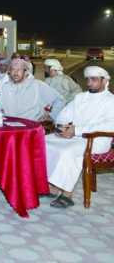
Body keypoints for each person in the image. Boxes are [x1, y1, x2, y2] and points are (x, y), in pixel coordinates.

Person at [45, 66, 114, 208]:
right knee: (44, 142)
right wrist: (62, 128)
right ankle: (52, 186)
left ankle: (67, 194)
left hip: (97, 140)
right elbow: (64, 115)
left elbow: (109, 125)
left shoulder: (111, 101)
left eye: (94, 79)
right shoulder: (80, 97)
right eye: (88, 79)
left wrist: (76, 131)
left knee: (68, 151)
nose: (89, 83)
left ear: (104, 81)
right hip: (75, 136)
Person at [0, 59, 65, 122]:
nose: (15, 73)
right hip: (11, 128)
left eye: (19, 70)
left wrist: (51, 116)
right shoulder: (6, 87)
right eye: (13, 69)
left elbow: (60, 100)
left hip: (31, 129)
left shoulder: (37, 85)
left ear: (25, 72)